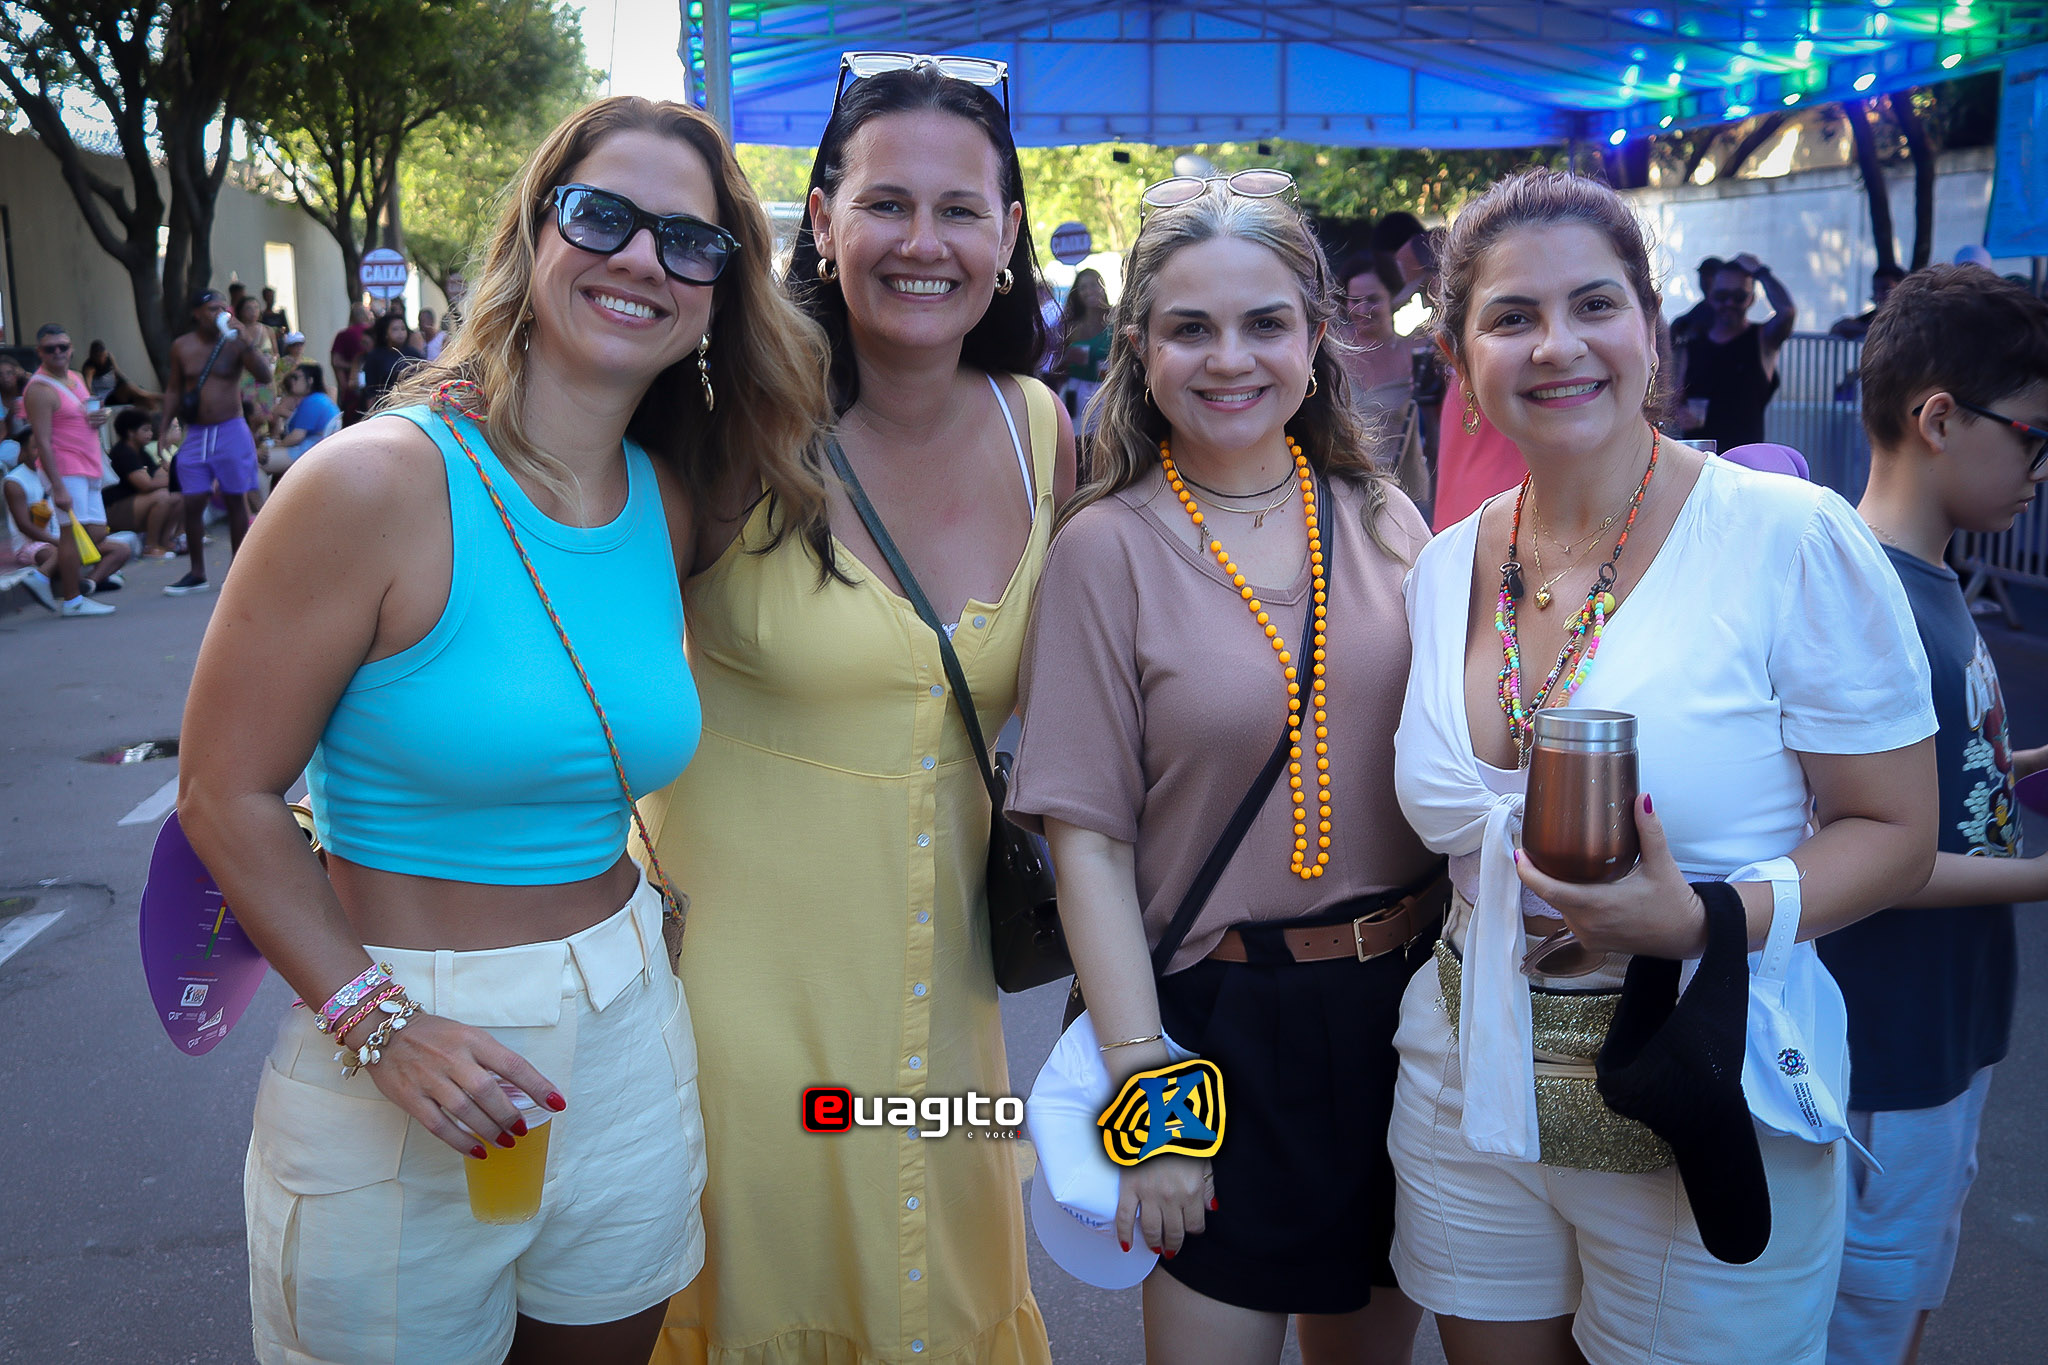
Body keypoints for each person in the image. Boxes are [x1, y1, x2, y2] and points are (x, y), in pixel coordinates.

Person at [177, 93, 830, 1365]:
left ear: (720, 291)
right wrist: (378, 1024)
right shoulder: (373, 481)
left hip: (630, 1022)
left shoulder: (668, 499)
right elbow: (222, 792)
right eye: (601, 215)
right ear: (535, 233)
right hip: (402, 1039)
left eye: (689, 240)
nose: (641, 258)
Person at [1388, 168, 1938, 1365]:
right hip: (1464, 1083)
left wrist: (1702, 918)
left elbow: (1893, 831)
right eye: (1511, 317)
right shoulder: (1439, 568)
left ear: (1648, 326)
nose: (1557, 345)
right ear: (1455, 356)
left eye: (1593, 304)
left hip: (1697, 1077)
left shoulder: (1784, 536)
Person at [642, 54, 1075, 1365]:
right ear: (822, 222)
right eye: (886, 203)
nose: (922, 242)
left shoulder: (1042, 431)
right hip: (735, 1010)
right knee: (762, 1301)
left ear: (1008, 235)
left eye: (960, 210)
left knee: (938, 1300)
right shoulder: (722, 429)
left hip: (947, 1020)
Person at [1008, 172, 1434, 1364]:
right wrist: (1148, 1096)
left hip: (1409, 1018)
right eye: (1189, 328)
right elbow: (1088, 847)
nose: (1228, 358)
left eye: (1263, 324)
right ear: (1139, 350)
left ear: (1313, 339)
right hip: (1215, 1034)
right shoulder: (1104, 550)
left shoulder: (1383, 518)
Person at [1822, 265, 2048, 1365]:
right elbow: (1869, 850)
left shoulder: (1928, 579)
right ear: (1939, 419)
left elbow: (1949, 774)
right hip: (1885, 1050)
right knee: (1864, 1326)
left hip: (1942, 1030)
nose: (2039, 471)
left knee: (1894, 1304)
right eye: (2032, 436)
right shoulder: (1863, 599)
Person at [162, 289, 273, 595]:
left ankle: (237, 573)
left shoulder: (234, 342)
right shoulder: (182, 346)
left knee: (236, 498)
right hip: (197, 432)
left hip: (230, 429)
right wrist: (163, 429)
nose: (220, 314)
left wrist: (246, 342)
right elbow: (173, 389)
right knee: (192, 500)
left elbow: (264, 375)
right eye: (213, 309)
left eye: (224, 308)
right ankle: (197, 572)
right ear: (196, 313)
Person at [23, 322, 124, 614]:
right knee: (69, 532)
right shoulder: (39, 389)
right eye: (50, 348)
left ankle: (43, 576)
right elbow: (42, 441)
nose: (57, 352)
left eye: (63, 347)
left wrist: (100, 416)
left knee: (96, 530)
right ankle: (73, 601)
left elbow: (82, 415)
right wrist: (57, 487)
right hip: (65, 468)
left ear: (71, 349)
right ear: (39, 352)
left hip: (88, 464)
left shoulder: (76, 377)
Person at [1678, 252, 1797, 450]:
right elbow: (1674, 398)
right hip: (1701, 459)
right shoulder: (1692, 345)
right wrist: (1680, 414)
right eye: (1722, 296)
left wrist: (1760, 272)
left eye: (1738, 297)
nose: (1729, 303)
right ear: (1710, 298)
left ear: (1751, 299)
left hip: (1743, 460)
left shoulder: (1762, 340)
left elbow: (1786, 312)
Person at [1337, 249, 1429, 487]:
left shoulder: (1414, 353)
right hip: (1342, 485)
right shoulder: (1331, 352)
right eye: (1354, 301)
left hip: (1400, 486)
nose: (1362, 310)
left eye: (1373, 299)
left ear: (1393, 298)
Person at [105, 408, 180, 557]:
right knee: (163, 496)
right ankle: (150, 546)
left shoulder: (142, 452)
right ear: (130, 433)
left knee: (180, 495)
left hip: (135, 504)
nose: (150, 434)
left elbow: (160, 475)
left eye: (150, 430)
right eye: (145, 430)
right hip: (115, 510)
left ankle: (166, 541)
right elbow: (146, 485)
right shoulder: (123, 452)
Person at [264, 363, 342, 488]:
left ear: (310, 380)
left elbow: (297, 436)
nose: (292, 381)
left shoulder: (313, 401)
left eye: (296, 377)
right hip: (317, 452)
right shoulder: (320, 399)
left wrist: (278, 445)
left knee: (255, 463)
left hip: (307, 453)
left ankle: (261, 500)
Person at [1054, 267, 1111, 421]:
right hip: (1076, 398)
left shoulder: (1116, 318)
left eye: (1093, 285)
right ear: (1077, 294)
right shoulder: (1072, 327)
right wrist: (1070, 358)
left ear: (1103, 287)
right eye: (1083, 287)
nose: (1089, 291)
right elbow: (1056, 367)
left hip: (1108, 395)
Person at [1828, 263, 1906, 341]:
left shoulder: (1910, 318)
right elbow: (1838, 328)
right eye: (1875, 290)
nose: (1878, 295)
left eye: (1886, 289)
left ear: (1902, 290)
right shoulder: (1870, 318)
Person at [359, 312, 417, 414]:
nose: (400, 333)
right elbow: (371, 390)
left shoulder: (414, 354)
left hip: (411, 405)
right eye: (395, 329)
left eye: (403, 329)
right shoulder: (375, 356)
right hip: (385, 408)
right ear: (386, 333)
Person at [332, 303, 372, 423]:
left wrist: (344, 388)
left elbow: (336, 362)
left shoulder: (344, 335)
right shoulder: (375, 333)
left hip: (353, 396)